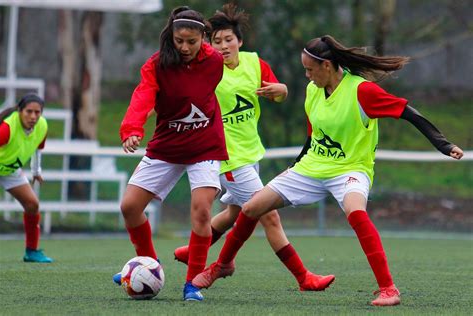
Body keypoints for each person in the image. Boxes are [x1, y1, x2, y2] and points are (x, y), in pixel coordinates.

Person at [194, 35, 464, 306]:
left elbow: (408, 112)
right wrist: (296, 165)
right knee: (252, 208)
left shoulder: (361, 91)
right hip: (312, 166)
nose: (307, 75)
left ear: (327, 66)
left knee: (356, 212)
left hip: (351, 168)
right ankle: (222, 265)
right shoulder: (313, 90)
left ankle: (389, 289)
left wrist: (443, 144)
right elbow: (313, 136)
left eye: (310, 69)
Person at [174, 3, 334, 292]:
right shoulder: (206, 69)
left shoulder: (253, 63)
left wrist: (281, 90)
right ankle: (303, 277)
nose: (222, 46)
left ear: (240, 41)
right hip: (228, 159)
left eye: (228, 40)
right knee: (268, 215)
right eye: (216, 41)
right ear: (208, 46)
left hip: (251, 153)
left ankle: (194, 250)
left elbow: (278, 93)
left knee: (236, 213)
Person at [111, 6, 228, 302]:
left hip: (205, 146)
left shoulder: (214, 61)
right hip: (167, 145)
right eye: (179, 41)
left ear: (204, 37)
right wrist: (132, 129)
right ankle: (149, 267)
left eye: (192, 41)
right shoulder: (157, 64)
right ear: (171, 37)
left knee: (202, 210)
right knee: (129, 207)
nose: (185, 47)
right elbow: (143, 95)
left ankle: (193, 284)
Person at [0, 93, 53, 263]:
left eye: (37, 112)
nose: (33, 116)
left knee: (32, 204)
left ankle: (32, 251)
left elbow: (38, 148)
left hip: (9, 170)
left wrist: (36, 171)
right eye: (29, 111)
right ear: (20, 110)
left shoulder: (42, 126)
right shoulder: (7, 128)